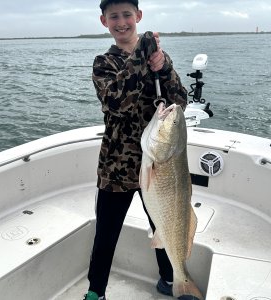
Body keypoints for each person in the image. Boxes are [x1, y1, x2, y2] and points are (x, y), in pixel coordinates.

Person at [84, 1, 196, 299]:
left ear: (139, 16)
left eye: (127, 15)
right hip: (116, 167)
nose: (122, 22)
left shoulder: (159, 58)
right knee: (106, 234)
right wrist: (140, 57)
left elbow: (179, 103)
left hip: (160, 163)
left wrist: (164, 66)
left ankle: (171, 280)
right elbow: (115, 103)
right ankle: (96, 292)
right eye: (114, 17)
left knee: (164, 221)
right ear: (104, 21)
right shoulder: (103, 63)